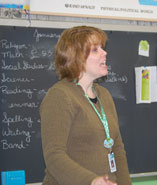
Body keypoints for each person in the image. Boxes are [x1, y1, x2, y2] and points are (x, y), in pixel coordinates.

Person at [40, 26, 132, 185]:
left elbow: (117, 149)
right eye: (96, 50)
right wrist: (90, 181)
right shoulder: (60, 96)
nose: (105, 53)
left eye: (102, 48)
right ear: (76, 57)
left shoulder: (104, 95)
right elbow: (54, 157)